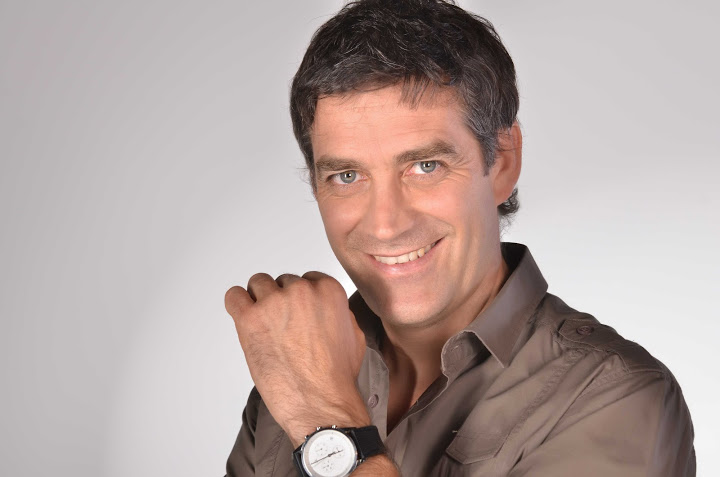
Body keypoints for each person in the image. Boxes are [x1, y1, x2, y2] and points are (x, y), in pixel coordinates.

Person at [223, 0, 696, 475]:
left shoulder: (616, 396)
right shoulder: (299, 365)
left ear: (502, 163)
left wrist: (326, 423)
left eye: (426, 166)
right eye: (347, 176)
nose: (386, 225)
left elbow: (317, 408)